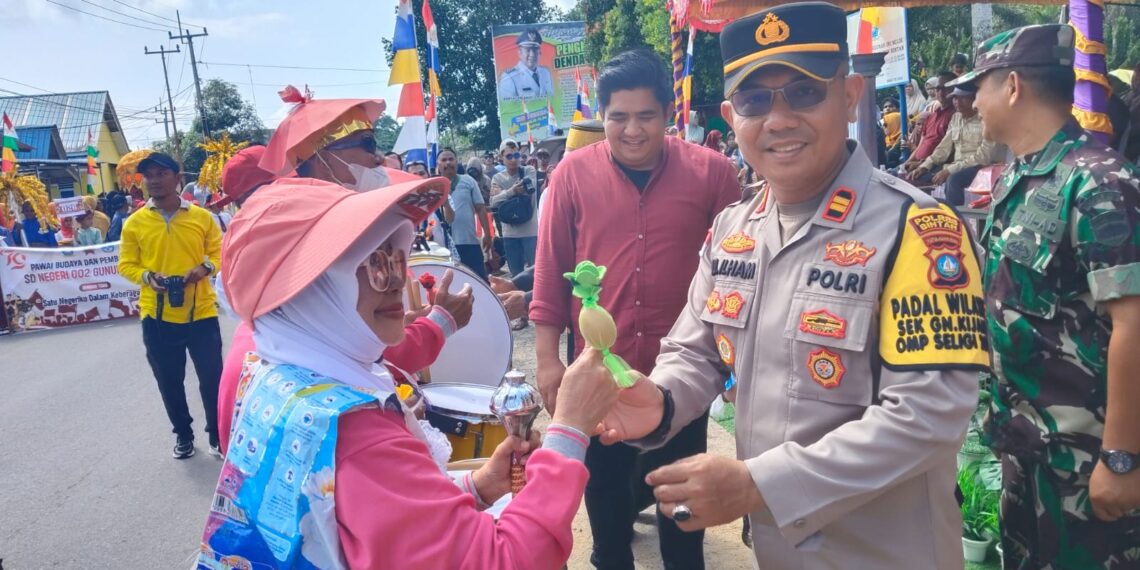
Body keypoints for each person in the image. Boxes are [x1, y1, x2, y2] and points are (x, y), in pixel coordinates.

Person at [597, 4, 986, 568]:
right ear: (732, 115)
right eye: (756, 101)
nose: (777, 119)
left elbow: (928, 415)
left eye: (803, 92)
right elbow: (696, 350)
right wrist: (658, 402)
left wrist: (759, 485)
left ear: (849, 95)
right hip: (780, 550)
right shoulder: (734, 229)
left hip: (884, 553)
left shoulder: (917, 231)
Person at [200, 174, 622, 569]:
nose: (395, 283)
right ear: (306, 290)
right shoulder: (355, 432)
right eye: (373, 265)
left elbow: (378, 527)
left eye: (397, 257)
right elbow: (501, 560)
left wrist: (477, 488)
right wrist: (569, 430)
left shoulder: (272, 370)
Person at [531, 48, 741, 570]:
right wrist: (548, 360)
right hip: (601, 374)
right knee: (604, 497)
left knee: (682, 505)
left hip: (683, 376)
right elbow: (549, 269)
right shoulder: (572, 176)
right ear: (602, 116)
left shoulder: (713, 175)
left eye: (645, 116)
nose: (631, 130)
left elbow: (739, 274)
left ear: (668, 114)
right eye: (618, 117)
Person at [948, 23, 1140, 568]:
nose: (971, 101)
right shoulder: (1023, 177)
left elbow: (1135, 324)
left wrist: (1122, 458)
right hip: (1028, 449)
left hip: (1086, 461)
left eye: (978, 86)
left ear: (1012, 86)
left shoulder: (1100, 182)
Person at [118, 152, 224, 459]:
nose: (153, 180)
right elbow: (126, 265)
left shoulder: (202, 217)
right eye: (148, 175)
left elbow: (219, 254)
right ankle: (183, 434)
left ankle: (217, 434)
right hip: (157, 315)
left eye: (161, 173)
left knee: (212, 379)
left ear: (177, 178)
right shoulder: (135, 223)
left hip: (201, 312)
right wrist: (148, 277)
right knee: (169, 380)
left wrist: (204, 269)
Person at [907, 87, 1005, 203]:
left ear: (975, 99)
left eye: (962, 97)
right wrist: (925, 165)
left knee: (954, 180)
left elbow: (983, 157)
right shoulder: (956, 117)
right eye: (954, 98)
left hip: (981, 166)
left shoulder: (987, 119)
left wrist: (950, 170)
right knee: (915, 176)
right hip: (958, 165)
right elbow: (943, 148)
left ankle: (957, 218)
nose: (956, 102)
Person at [439, 147, 493, 281]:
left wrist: (487, 234)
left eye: (451, 159)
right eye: (444, 160)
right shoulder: (433, 185)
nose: (448, 163)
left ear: (457, 162)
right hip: (443, 247)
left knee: (480, 281)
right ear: (438, 164)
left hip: (469, 242)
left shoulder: (468, 181)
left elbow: (480, 209)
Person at [491, 139, 539, 278]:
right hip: (510, 234)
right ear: (501, 158)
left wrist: (503, 193)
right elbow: (493, 202)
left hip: (530, 231)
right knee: (516, 275)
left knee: (535, 273)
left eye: (516, 155)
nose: (513, 160)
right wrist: (512, 191)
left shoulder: (529, 170)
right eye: (509, 156)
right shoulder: (497, 178)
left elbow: (527, 189)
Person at [899, 72, 956, 175]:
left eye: (946, 88)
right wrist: (906, 163)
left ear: (955, 89)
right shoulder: (931, 116)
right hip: (917, 164)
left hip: (933, 168)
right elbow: (921, 144)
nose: (941, 93)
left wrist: (920, 164)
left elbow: (948, 152)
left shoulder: (955, 116)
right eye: (938, 89)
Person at [498, 28, 554, 99]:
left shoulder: (545, 72)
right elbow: (509, 107)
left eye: (535, 49)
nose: (532, 54)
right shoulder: (509, 77)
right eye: (527, 50)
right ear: (520, 52)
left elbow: (552, 99)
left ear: (539, 52)